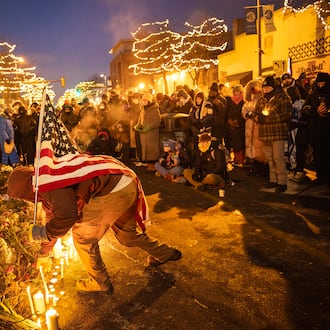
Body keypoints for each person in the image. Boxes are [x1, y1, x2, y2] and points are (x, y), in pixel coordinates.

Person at [7, 164, 182, 294]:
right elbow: (55, 218)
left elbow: (67, 216)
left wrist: (42, 233)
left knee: (83, 239)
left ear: (26, 190)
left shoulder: (49, 185)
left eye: (24, 197)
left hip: (110, 189)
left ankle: (99, 282)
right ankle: (164, 253)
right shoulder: (47, 176)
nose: (29, 200)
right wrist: (45, 252)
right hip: (125, 182)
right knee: (127, 236)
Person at [247, 76, 292, 192]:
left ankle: (282, 182)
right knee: (269, 158)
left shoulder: (283, 98)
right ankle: (273, 180)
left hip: (277, 132)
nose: (266, 89)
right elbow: (256, 114)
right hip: (265, 133)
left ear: (274, 87)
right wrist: (257, 117)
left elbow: (287, 115)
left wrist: (267, 118)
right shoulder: (262, 100)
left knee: (278, 157)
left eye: (268, 87)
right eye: (264, 87)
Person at [301, 72, 330, 186]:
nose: (321, 85)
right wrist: (314, 111)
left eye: (323, 83)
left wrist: (327, 112)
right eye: (319, 83)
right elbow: (305, 110)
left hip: (328, 129)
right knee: (318, 154)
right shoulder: (312, 95)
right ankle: (321, 175)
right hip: (316, 130)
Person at [241, 79, 267, 176]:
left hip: (257, 125)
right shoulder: (248, 101)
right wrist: (247, 115)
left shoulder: (261, 100)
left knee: (259, 148)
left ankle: (262, 168)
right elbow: (244, 110)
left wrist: (254, 115)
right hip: (249, 125)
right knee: (251, 147)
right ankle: (254, 167)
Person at [134, 92, 161, 163]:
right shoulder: (142, 110)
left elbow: (157, 121)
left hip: (151, 134)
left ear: (149, 101)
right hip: (143, 133)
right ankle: (145, 162)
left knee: (151, 150)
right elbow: (140, 120)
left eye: (145, 100)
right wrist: (138, 126)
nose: (143, 102)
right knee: (144, 149)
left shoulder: (155, 110)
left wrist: (148, 127)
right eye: (143, 100)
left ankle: (152, 163)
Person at [225, 84, 246, 166]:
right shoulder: (231, 102)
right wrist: (229, 120)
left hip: (240, 127)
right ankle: (236, 159)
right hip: (232, 127)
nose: (236, 94)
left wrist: (238, 122)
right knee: (234, 143)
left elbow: (243, 114)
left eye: (237, 92)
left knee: (240, 144)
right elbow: (229, 113)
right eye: (235, 92)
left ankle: (241, 159)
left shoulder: (243, 102)